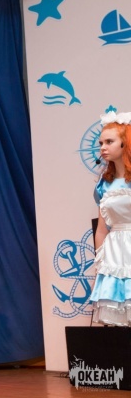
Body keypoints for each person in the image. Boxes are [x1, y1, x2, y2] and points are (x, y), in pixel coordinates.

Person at [89, 109, 131, 326]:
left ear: (125, 143)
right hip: (115, 252)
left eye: (109, 142)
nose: (103, 148)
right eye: (101, 143)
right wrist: (100, 263)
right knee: (119, 318)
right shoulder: (104, 184)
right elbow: (101, 229)